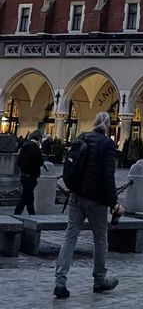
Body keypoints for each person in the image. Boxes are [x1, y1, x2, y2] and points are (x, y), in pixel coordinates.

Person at [54, 112, 124, 299]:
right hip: (96, 200)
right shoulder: (107, 144)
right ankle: (99, 280)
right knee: (100, 240)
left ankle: (60, 280)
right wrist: (114, 202)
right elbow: (108, 177)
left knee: (70, 237)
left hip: (75, 196)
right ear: (108, 125)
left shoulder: (82, 137)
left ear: (94, 123)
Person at [14, 129, 44, 215]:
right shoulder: (35, 148)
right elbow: (40, 162)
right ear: (39, 139)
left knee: (28, 195)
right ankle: (19, 213)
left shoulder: (24, 147)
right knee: (26, 196)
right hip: (32, 176)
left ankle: (30, 213)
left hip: (24, 175)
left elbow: (19, 161)